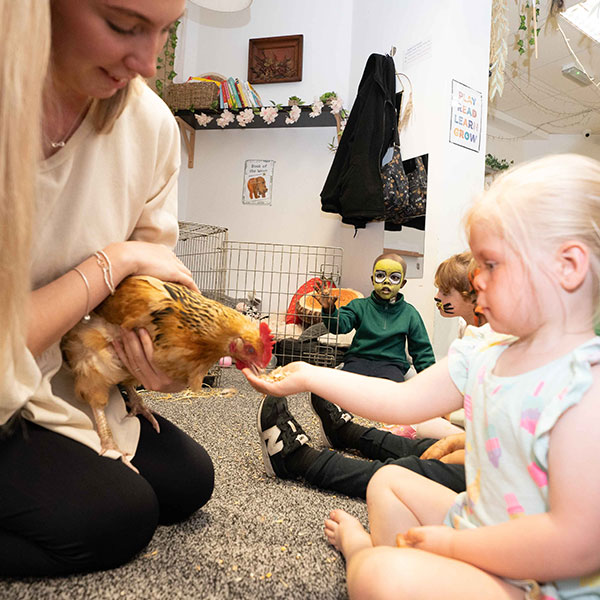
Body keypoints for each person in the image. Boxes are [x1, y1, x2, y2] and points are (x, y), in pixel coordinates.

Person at [245, 154, 600, 599]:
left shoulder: (585, 391)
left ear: (568, 267)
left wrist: (456, 545)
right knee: (389, 482)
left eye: (491, 265)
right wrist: (311, 375)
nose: (476, 280)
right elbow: (399, 401)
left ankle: (366, 558)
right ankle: (395, 562)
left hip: (538, 580)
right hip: (482, 522)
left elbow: (578, 544)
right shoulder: (485, 349)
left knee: (381, 577)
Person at [1, 0, 215, 577]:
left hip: (56, 369)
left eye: (167, 32)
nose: (148, 62)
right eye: (124, 26)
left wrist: (157, 363)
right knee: (117, 517)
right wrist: (113, 259)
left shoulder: (149, 128)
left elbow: (146, 292)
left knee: (188, 481)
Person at [256, 252, 485, 499]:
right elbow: (338, 325)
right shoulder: (361, 306)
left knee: (399, 472)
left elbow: (420, 363)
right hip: (360, 365)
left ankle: (299, 459)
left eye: (445, 292)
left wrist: (309, 376)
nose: (437, 297)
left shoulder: (410, 314)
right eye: (381, 276)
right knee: (423, 448)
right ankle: (345, 432)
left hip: (394, 372)